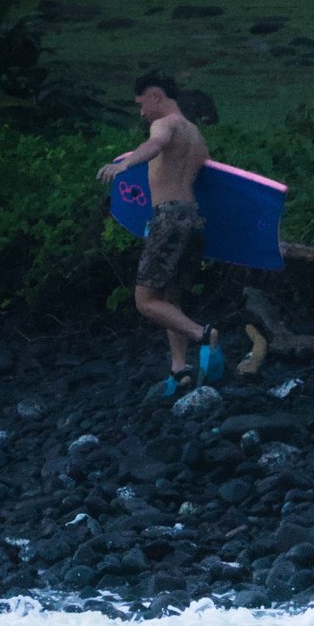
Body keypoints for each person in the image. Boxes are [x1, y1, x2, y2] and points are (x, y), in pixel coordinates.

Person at [97, 73, 223, 395]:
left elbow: (154, 145)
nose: (141, 113)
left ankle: (203, 333)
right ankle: (179, 369)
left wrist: (125, 166)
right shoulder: (195, 134)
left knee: (145, 300)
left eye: (141, 105)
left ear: (155, 95)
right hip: (193, 219)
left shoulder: (165, 124)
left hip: (169, 218)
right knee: (170, 299)